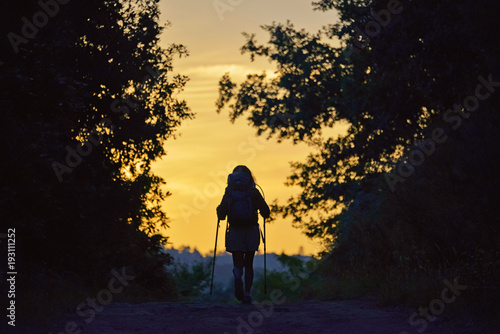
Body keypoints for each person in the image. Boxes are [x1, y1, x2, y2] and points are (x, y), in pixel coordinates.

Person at [217, 165, 270, 304]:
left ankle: (237, 276)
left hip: (235, 231)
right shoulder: (254, 192)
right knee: (249, 263)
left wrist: (221, 211)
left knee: (237, 261)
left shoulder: (229, 192)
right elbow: (266, 212)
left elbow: (221, 214)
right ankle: (247, 293)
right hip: (251, 230)